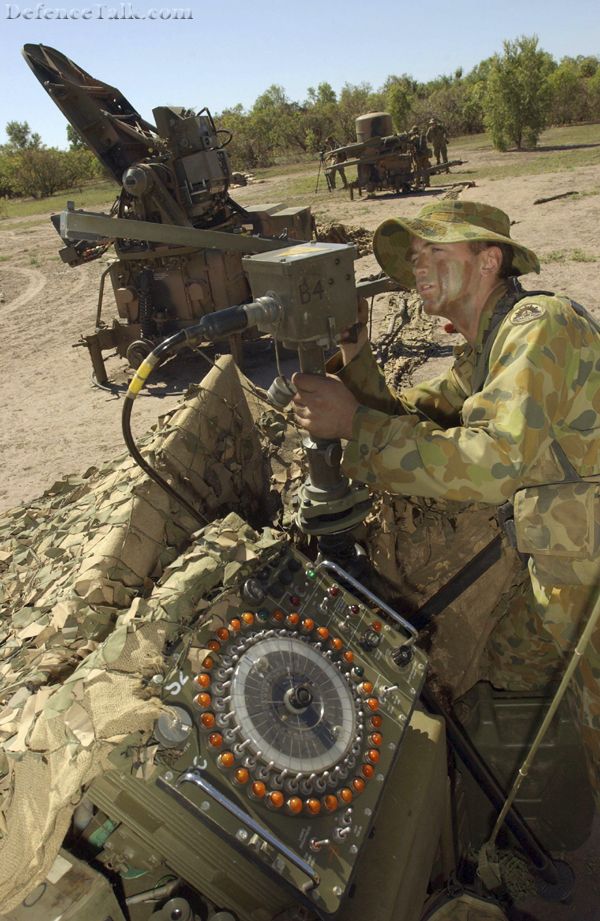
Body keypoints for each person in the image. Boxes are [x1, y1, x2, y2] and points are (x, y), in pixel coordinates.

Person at [291, 199, 600, 803]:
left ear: (488, 261)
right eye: (415, 257)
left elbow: (489, 463)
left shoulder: (539, 325)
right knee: (511, 665)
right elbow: (418, 418)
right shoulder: (488, 346)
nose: (418, 265)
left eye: (436, 251)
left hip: (588, 577)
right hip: (565, 568)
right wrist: (356, 352)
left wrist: (354, 427)